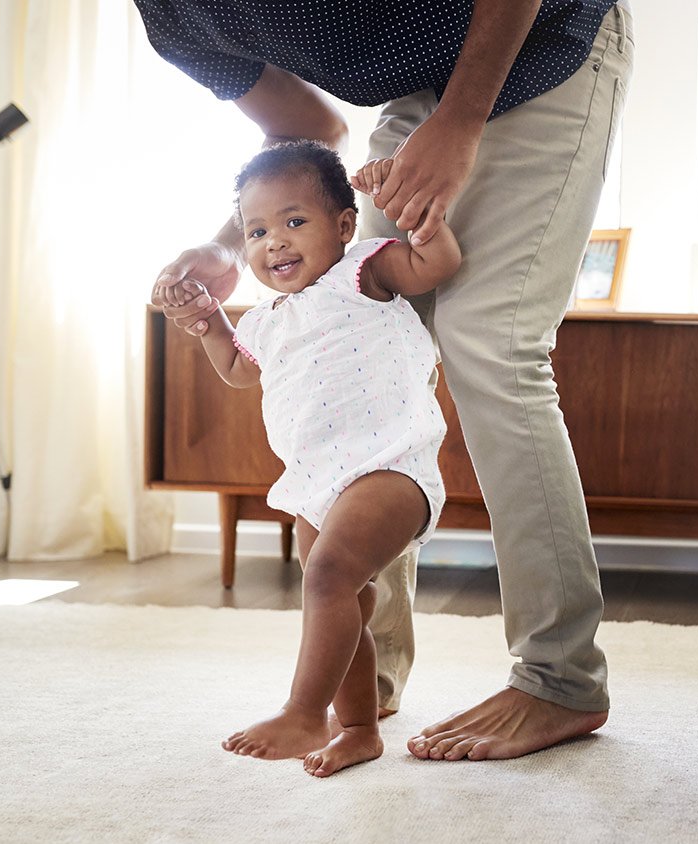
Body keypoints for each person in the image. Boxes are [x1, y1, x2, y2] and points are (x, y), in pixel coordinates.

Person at [138, 0, 633, 761]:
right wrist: (225, 250)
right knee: (361, 319)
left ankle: (559, 677)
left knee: (487, 345)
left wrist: (463, 122)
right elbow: (305, 143)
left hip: (544, 45)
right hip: (418, 93)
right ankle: (363, 688)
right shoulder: (177, 17)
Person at [158, 141, 461, 776]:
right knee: (341, 595)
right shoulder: (267, 319)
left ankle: (303, 710)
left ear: (344, 226)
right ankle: (356, 729)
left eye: (295, 222)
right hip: (315, 484)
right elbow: (241, 372)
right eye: (258, 231)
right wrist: (211, 321)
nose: (275, 243)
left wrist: (411, 214)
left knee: (328, 578)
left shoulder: (364, 272)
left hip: (390, 467)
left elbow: (437, 263)